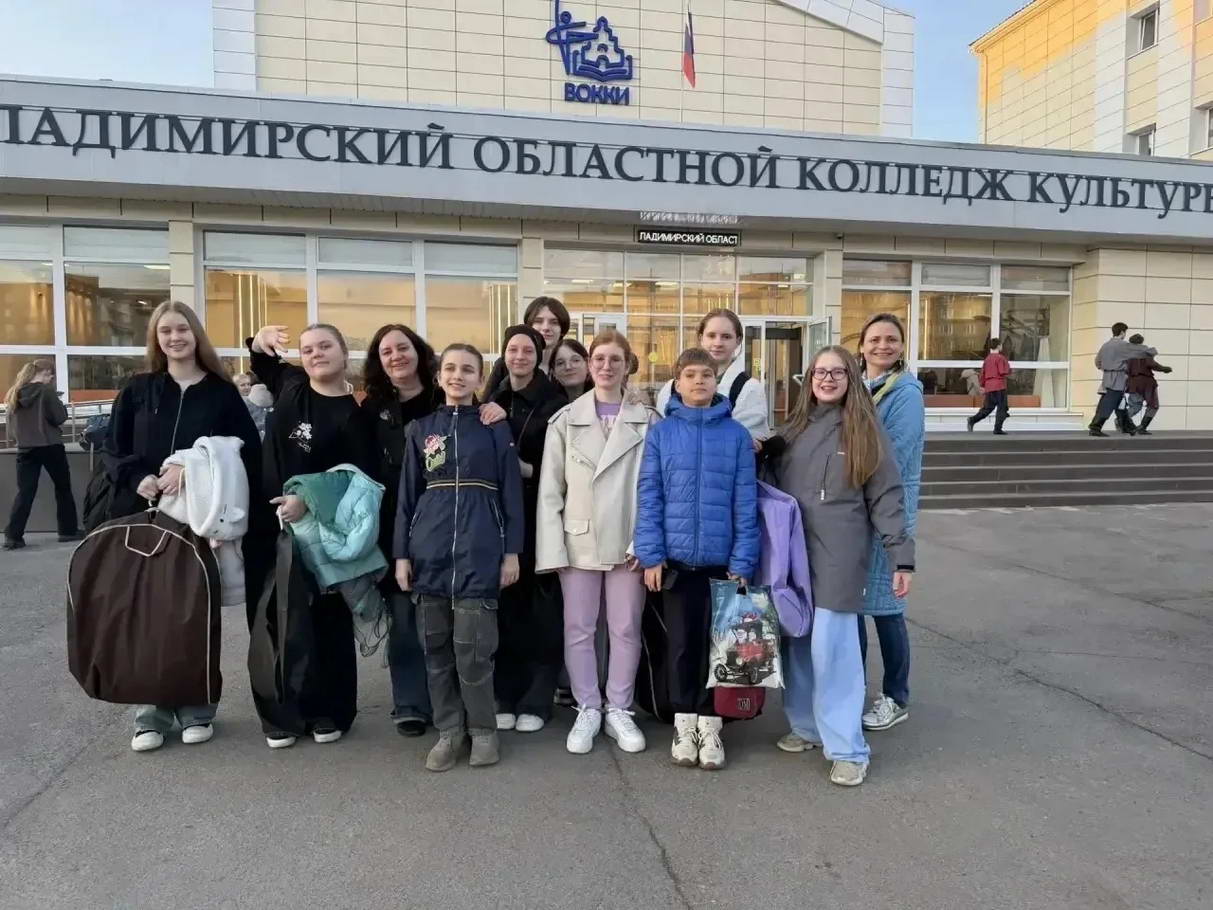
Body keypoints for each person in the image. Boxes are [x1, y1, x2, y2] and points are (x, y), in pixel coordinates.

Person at [104, 301, 261, 752]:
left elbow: (244, 450)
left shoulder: (220, 392)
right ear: (156, 338)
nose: (175, 337)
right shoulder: (138, 390)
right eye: (166, 331)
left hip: (200, 520)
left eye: (182, 329)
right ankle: (150, 714)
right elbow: (113, 448)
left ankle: (197, 708)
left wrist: (192, 464)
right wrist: (137, 477)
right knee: (148, 617)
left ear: (196, 335)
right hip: (147, 518)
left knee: (195, 614)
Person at [766, 346, 914, 788]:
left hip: (840, 554)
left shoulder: (865, 432)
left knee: (834, 651)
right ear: (809, 378)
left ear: (851, 378)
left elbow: (887, 496)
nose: (827, 379)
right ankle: (806, 727)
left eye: (837, 372)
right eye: (820, 372)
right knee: (797, 641)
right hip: (793, 552)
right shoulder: (792, 429)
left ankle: (848, 749)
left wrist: (901, 556)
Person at [394, 343, 524, 772]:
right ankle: (449, 731)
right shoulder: (421, 429)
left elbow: (512, 494)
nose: (457, 375)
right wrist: (401, 556)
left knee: (475, 650)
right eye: (450, 368)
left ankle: (483, 730)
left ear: (479, 378)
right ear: (438, 376)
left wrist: (511, 552)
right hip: (428, 554)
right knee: (436, 650)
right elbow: (406, 497)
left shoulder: (494, 427)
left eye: (468, 369)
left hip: (480, 552)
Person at [248, 322, 374, 749]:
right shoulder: (292, 387)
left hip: (320, 533)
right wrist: (260, 340)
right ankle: (281, 714)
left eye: (324, 346)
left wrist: (308, 500)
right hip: (269, 528)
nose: (315, 354)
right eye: (307, 349)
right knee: (274, 620)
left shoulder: (355, 415)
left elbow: (355, 480)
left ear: (344, 354)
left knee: (325, 622)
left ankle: (329, 711)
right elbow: (263, 361)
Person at [634, 347, 759, 771]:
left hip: (722, 565)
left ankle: (711, 724)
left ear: (716, 380)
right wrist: (651, 555)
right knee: (682, 646)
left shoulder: (736, 436)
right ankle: (684, 723)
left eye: (706, 374)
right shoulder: (663, 434)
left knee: (718, 648)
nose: (699, 381)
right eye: (690, 374)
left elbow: (746, 502)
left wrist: (743, 560)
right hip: (677, 565)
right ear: (677, 382)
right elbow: (649, 496)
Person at [537, 330, 656, 756]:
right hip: (579, 540)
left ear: (628, 365)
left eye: (615, 359)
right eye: (600, 359)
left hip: (629, 541)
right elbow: (550, 492)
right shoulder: (565, 420)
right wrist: (552, 550)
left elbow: (656, 488)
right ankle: (588, 706)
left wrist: (648, 542)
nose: (606, 366)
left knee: (625, 628)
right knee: (579, 629)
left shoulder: (649, 420)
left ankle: (619, 707)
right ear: (590, 365)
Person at [359, 324, 442, 739]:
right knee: (405, 617)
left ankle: (449, 699)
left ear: (419, 352)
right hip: (393, 525)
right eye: (386, 351)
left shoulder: (446, 398)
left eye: (402, 347)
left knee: (446, 617)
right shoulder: (373, 409)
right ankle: (410, 703)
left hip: (444, 523)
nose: (396, 356)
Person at [490, 326, 568, 733]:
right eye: (512, 349)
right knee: (505, 607)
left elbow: (564, 469)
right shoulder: (493, 396)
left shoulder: (554, 403)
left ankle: (538, 697)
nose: (519, 356)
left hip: (542, 516)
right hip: (500, 518)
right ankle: (505, 692)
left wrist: (523, 469)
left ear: (539, 356)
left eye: (527, 350)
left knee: (542, 610)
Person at [851, 313, 924, 734]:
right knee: (856, 606)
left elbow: (893, 453)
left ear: (901, 347)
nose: (883, 345)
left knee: (887, 608)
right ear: (861, 346)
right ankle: (854, 689)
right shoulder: (859, 387)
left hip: (887, 508)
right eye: (875, 339)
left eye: (891, 339)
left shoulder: (906, 393)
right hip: (855, 508)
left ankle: (896, 696)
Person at [655, 308, 769, 440]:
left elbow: (746, 440)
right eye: (711, 335)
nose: (718, 343)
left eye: (726, 337)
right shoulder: (671, 388)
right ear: (701, 338)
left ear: (738, 340)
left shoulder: (749, 389)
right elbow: (659, 436)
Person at [3, 359, 81, 550]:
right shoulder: (46, 391)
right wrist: (59, 403)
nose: (51, 378)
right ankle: (67, 530)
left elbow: (11, 426)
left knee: (25, 492)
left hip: (25, 448)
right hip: (49, 445)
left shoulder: (15, 392)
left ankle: (13, 536)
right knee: (62, 488)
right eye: (50, 375)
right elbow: (59, 417)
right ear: (44, 373)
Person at [484, 296, 571, 392]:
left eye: (554, 322)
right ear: (529, 326)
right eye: (538, 321)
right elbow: (488, 399)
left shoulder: (569, 364)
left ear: (562, 329)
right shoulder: (506, 364)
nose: (546, 327)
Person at [1090, 323, 1156, 437]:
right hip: (1118, 378)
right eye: (1125, 332)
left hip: (1107, 378)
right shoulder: (1123, 345)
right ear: (1122, 332)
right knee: (1109, 403)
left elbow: (1097, 362)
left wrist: (1107, 367)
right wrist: (1152, 351)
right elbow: (1141, 352)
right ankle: (1095, 427)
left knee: (1120, 404)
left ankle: (1128, 427)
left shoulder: (1105, 345)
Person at [1124, 334, 1172, 436]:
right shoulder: (1145, 351)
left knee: (1135, 405)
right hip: (1147, 382)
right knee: (1153, 405)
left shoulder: (1125, 353)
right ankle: (1142, 427)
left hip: (1133, 382)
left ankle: (1121, 420)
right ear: (1141, 341)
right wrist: (1165, 369)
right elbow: (1153, 365)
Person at [967, 338, 1011, 434]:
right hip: (999, 386)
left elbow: (982, 374)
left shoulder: (987, 359)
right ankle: (997, 428)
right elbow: (1002, 371)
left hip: (989, 386)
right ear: (998, 346)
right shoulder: (1000, 358)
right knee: (1002, 407)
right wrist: (1009, 370)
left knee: (987, 408)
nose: (1002, 346)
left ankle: (973, 419)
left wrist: (982, 385)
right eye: (1001, 345)